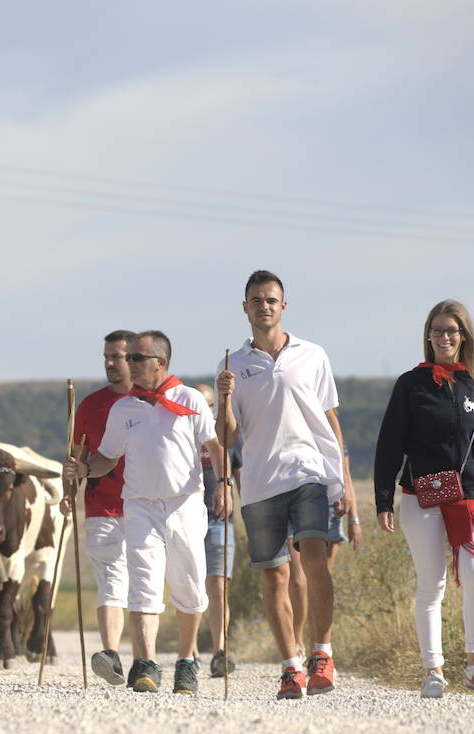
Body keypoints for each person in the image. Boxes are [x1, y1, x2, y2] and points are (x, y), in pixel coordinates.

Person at [216, 269, 352, 700]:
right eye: (256, 300)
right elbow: (228, 437)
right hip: (259, 481)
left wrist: (344, 481)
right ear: (245, 308)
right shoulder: (233, 365)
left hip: (309, 472)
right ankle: (290, 666)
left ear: (284, 305)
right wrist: (223, 398)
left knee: (315, 561)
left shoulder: (313, 355)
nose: (264, 306)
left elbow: (330, 419)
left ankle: (322, 653)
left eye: (271, 299)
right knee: (274, 577)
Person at [65, 330, 226, 695]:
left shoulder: (189, 400)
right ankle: (146, 663)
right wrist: (84, 469)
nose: (129, 364)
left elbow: (214, 446)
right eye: (129, 358)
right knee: (143, 584)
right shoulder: (124, 409)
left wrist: (226, 485)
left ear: (160, 362)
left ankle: (187, 661)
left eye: (137, 358)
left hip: (185, 504)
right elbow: (108, 456)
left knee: (189, 583)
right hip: (138, 505)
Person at [374, 299, 474, 698]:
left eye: (452, 330)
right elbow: (389, 445)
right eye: (437, 330)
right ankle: (433, 670)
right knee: (431, 585)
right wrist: (383, 500)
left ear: (464, 336)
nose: (444, 337)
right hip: (422, 498)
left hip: (469, 500)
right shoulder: (410, 384)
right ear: (427, 336)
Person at [72, 330, 134, 686]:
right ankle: (111, 654)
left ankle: (145, 660)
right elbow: (78, 457)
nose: (110, 363)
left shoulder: (152, 402)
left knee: (145, 584)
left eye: (118, 356)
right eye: (107, 356)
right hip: (102, 508)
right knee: (111, 582)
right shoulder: (90, 406)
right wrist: (70, 488)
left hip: (148, 508)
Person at [285, 447, 362, 658]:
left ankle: (317, 649)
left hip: (331, 506)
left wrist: (354, 519)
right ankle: (298, 640)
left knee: (321, 580)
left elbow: (345, 476)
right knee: (298, 578)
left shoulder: (335, 436)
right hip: (297, 502)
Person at [193, 384, 241, 679]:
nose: (205, 413)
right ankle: (192, 652)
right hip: (185, 519)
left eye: (209, 407)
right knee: (190, 586)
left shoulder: (227, 441)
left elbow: (240, 476)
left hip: (219, 520)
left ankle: (220, 651)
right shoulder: (182, 435)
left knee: (219, 587)